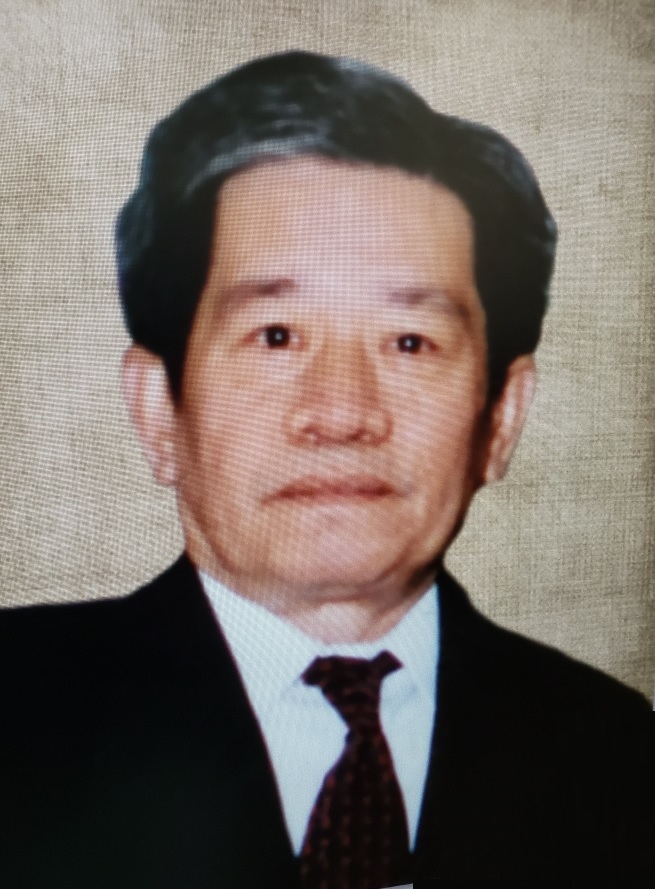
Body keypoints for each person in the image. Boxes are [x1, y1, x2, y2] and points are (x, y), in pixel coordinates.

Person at [0, 51, 651, 889]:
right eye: (276, 336)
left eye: (409, 342)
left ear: (500, 418)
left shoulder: (618, 753)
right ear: (159, 409)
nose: (341, 412)